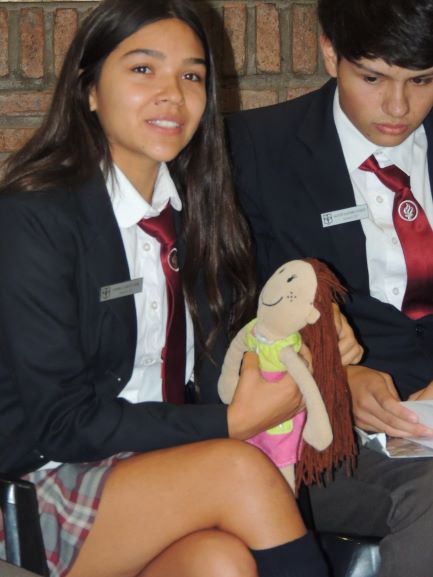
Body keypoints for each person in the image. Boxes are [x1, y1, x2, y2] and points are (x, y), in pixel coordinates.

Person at [0, 0, 354, 576]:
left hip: (162, 467)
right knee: (236, 468)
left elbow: (232, 345)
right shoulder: (32, 219)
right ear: (89, 89)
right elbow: (62, 424)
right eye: (143, 69)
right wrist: (230, 425)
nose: (173, 94)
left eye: (191, 76)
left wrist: (313, 333)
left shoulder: (198, 211)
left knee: (220, 563)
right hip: (42, 481)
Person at [227, 0, 433, 576]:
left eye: (423, 81)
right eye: (373, 78)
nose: (398, 107)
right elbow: (226, 319)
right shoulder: (252, 150)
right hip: (319, 438)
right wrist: (332, 378)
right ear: (329, 52)